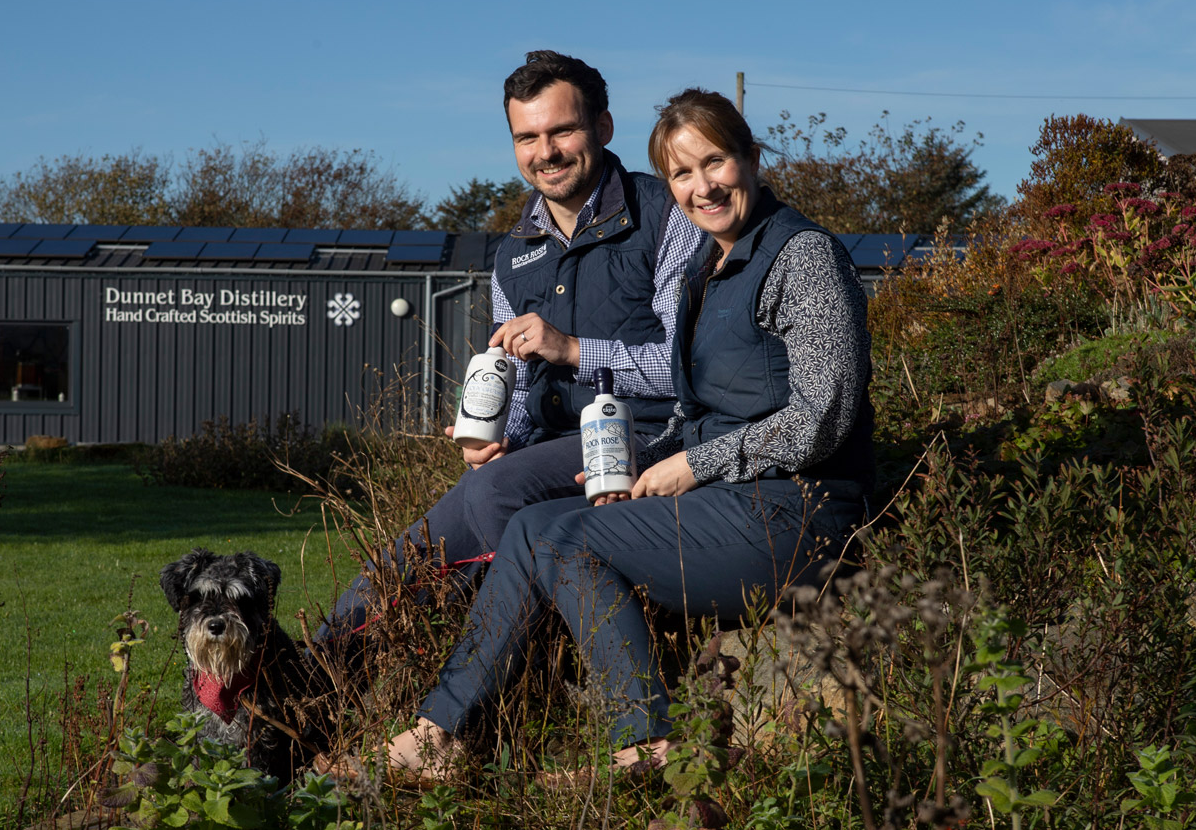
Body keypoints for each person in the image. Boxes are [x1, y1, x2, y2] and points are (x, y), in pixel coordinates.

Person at [339, 87, 875, 782]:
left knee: (558, 536)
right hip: (725, 502)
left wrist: (693, 465)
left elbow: (825, 415)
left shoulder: (802, 257)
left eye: (715, 162)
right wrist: (632, 481)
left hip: (797, 509)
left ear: (751, 156)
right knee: (535, 526)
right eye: (682, 173)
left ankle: (644, 742)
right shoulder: (705, 270)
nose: (701, 186)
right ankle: (439, 731)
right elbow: (694, 403)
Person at [314, 52, 703, 646]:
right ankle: (304, 683)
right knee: (414, 552)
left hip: (646, 437)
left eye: (561, 131)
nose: (544, 152)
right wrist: (499, 438)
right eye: (527, 137)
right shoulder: (511, 253)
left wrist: (574, 349)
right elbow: (518, 383)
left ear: (602, 128)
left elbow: (689, 368)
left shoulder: (667, 216)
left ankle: (557, 658)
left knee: (496, 493)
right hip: (550, 449)